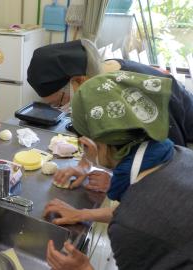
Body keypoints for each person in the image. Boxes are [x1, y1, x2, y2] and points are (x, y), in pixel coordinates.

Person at [44, 71, 193, 270]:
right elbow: (144, 214)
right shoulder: (179, 155)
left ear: (96, 145)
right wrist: (82, 214)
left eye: (84, 146)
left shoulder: (130, 229)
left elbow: (138, 221)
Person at [28, 39, 193, 191]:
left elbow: (167, 166)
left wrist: (118, 183)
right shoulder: (92, 81)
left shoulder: (127, 91)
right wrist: (84, 165)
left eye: (59, 102)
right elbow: (92, 134)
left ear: (78, 81)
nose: (59, 108)